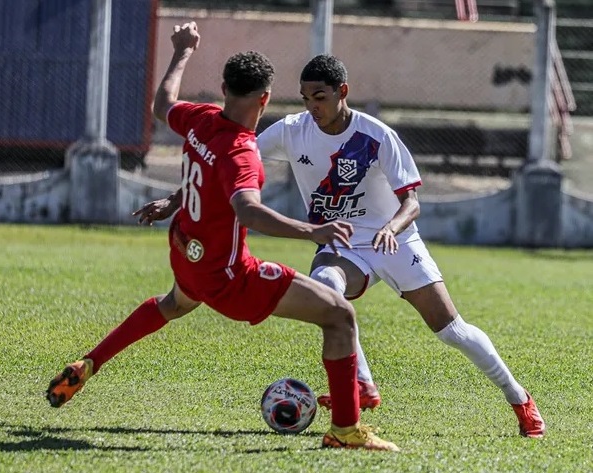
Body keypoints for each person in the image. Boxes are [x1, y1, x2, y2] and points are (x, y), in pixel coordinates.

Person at [46, 23, 400, 452]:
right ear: (265, 98)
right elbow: (247, 208)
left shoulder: (200, 118)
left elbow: (162, 105)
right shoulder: (241, 151)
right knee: (340, 315)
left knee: (174, 303)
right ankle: (346, 430)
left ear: (224, 88)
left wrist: (182, 51)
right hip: (231, 278)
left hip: (187, 253)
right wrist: (314, 231)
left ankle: (89, 362)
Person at [254, 54, 545, 438]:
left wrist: (391, 227)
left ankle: (519, 397)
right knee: (325, 287)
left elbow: (412, 202)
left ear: (343, 92)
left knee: (451, 331)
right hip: (343, 242)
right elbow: (239, 157)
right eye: (305, 98)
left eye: (320, 97)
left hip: (395, 239)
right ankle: (362, 386)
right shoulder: (293, 131)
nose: (312, 107)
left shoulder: (376, 136)